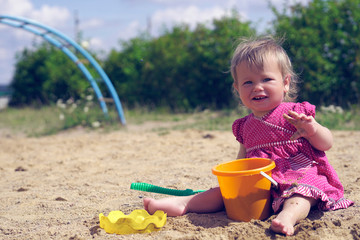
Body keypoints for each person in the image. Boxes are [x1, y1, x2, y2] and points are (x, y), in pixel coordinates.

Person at [143, 36, 353, 236]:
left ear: (285, 83)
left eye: (267, 79)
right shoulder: (244, 126)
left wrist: (313, 129)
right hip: (260, 184)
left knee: (301, 195)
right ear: (237, 89)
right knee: (222, 193)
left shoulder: (295, 114)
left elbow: (327, 143)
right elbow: (242, 161)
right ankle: (184, 203)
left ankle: (287, 216)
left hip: (297, 175)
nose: (257, 87)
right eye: (248, 83)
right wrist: (233, 183)